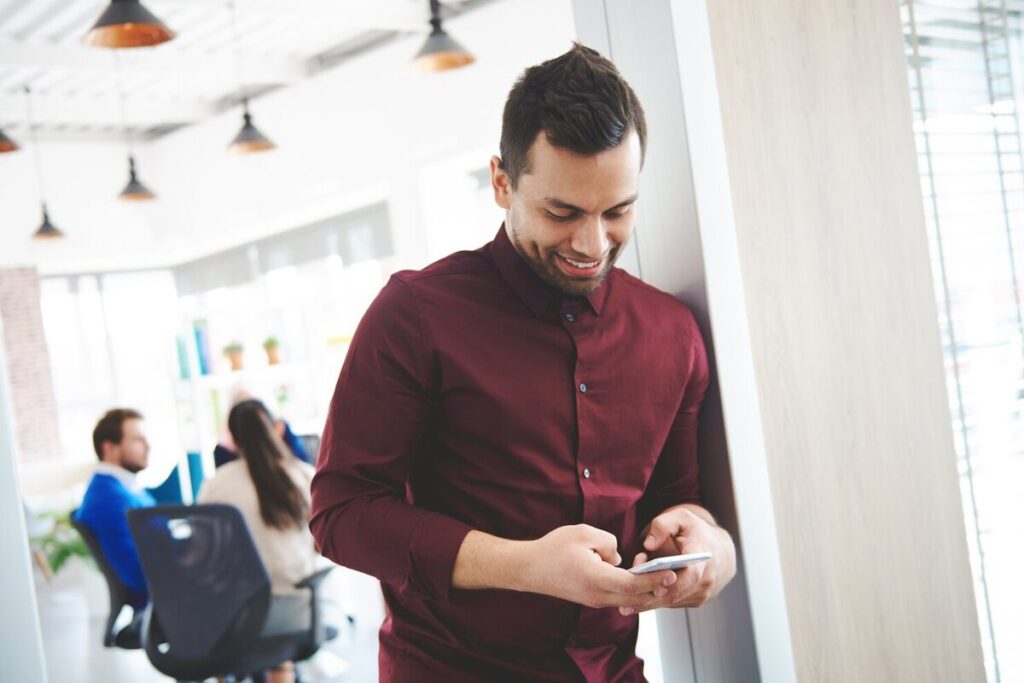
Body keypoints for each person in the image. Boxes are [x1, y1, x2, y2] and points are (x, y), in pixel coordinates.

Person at [310, 43, 738, 681]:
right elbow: (341, 514)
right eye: (562, 212)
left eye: (618, 211)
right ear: (502, 182)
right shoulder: (414, 314)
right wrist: (525, 566)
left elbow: (678, 500)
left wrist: (712, 544)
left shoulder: (674, 333)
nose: (593, 245)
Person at [198, 399, 318, 683]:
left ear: (233, 440)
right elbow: (321, 542)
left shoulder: (216, 484)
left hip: (238, 614)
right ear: (274, 429)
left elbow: (204, 552)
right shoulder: (302, 475)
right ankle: (280, 668)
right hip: (295, 610)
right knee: (278, 644)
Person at [75, 408, 155, 647]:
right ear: (109, 448)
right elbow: (134, 572)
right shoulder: (108, 497)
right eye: (137, 439)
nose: (148, 446)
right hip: (161, 594)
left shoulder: (122, 487)